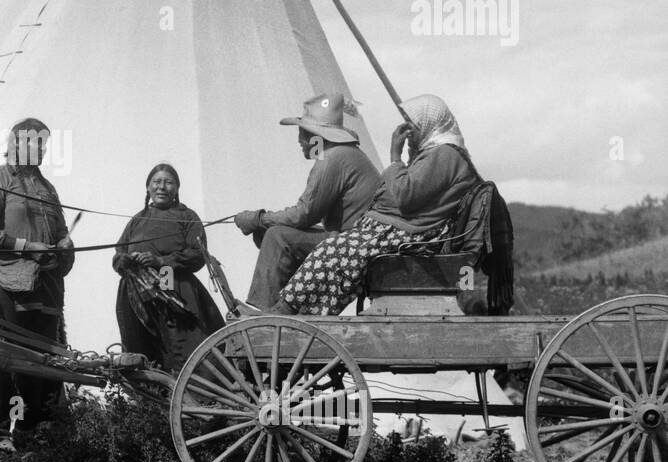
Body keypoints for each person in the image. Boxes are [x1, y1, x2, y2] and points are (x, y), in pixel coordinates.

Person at [268, 94, 479, 316]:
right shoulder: (436, 154)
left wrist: (395, 156)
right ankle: (306, 310)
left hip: (414, 234)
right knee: (337, 250)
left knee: (333, 249)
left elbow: (405, 196)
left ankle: (287, 308)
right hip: (407, 228)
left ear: (428, 123)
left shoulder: (444, 154)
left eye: (413, 124)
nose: (408, 130)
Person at [0, 118, 74, 445]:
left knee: (44, 358)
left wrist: (65, 244)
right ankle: (0, 429)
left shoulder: (48, 189)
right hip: (7, 282)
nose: (42, 150)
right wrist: (26, 246)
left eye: (44, 144)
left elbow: (60, 232)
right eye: (35, 143)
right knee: (8, 356)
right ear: (16, 143)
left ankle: (35, 430)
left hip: (45, 285)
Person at [232, 93, 380, 308]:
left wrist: (259, 219)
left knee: (277, 236)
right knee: (276, 233)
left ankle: (263, 309)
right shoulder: (342, 154)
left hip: (352, 244)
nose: (299, 141)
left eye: (303, 134)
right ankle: (288, 303)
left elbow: (304, 214)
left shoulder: (331, 159)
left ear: (318, 138)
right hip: (354, 239)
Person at [112, 163, 224, 373]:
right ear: (148, 187)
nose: (162, 187)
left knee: (180, 343)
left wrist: (160, 261)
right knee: (144, 346)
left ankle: (192, 396)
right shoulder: (137, 220)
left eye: (168, 182)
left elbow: (198, 254)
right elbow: (118, 255)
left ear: (177, 189)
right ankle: (152, 398)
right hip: (136, 292)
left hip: (172, 284)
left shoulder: (187, 217)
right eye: (156, 182)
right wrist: (126, 261)